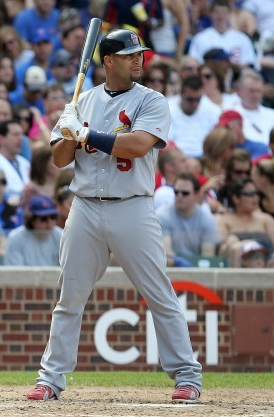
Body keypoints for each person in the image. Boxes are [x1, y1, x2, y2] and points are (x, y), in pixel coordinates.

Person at [26, 29, 202, 404]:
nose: (138, 60)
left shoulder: (152, 100)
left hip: (132, 206)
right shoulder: (82, 101)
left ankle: (187, 376)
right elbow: (59, 160)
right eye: (129, 55)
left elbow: (137, 145)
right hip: (85, 206)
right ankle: (50, 379)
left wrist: (86, 134)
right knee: (69, 298)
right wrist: (69, 133)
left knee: (160, 295)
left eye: (140, 54)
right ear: (108, 61)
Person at [155, 172, 221, 266]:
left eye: (185, 193)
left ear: (197, 195)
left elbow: (208, 257)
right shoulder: (162, 215)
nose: (179, 196)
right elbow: (167, 255)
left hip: (199, 270)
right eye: (176, 192)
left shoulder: (207, 218)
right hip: (171, 269)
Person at [4, 195, 62, 266]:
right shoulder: (16, 238)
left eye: (53, 217)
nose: (49, 222)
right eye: (43, 218)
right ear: (32, 220)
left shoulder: (61, 236)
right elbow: (15, 271)